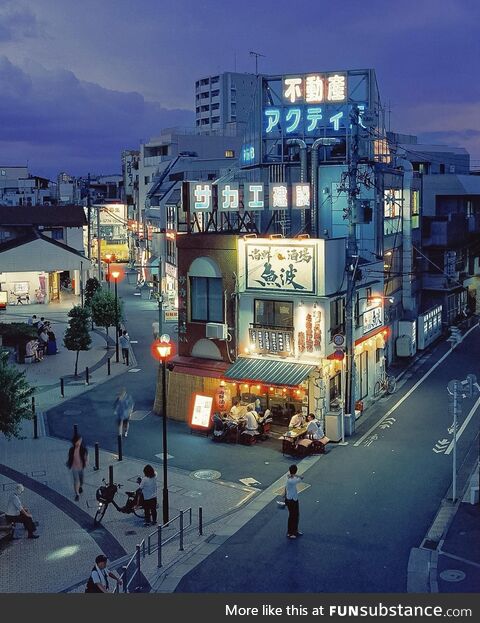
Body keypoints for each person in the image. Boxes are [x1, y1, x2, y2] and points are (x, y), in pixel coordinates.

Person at [66, 434, 88, 501]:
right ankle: (77, 494)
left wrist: (86, 463)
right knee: (76, 481)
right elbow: (70, 457)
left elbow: (86, 457)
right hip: (74, 468)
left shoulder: (83, 449)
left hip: (81, 467)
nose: (78, 442)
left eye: (79, 441)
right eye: (77, 441)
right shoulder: (72, 450)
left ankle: (80, 486)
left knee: (81, 480)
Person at [284, 465, 303, 539]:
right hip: (292, 500)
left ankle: (293, 531)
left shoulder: (290, 478)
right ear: (295, 471)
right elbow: (302, 477)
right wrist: (295, 474)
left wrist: (292, 474)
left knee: (294, 515)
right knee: (293, 516)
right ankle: (291, 532)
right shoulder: (292, 480)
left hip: (290, 499)